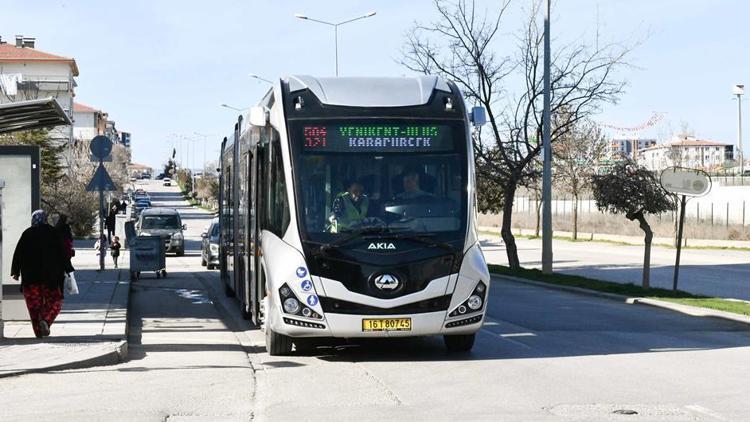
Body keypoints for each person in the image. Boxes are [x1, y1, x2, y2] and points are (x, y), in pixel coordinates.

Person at [11, 210, 73, 338]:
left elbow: (18, 254)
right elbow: (62, 252)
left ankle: (39, 333)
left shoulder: (27, 234)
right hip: (50, 277)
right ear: (45, 219)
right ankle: (46, 320)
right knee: (55, 301)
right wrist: (68, 269)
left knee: (34, 306)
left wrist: (15, 272)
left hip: (30, 278)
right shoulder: (53, 232)